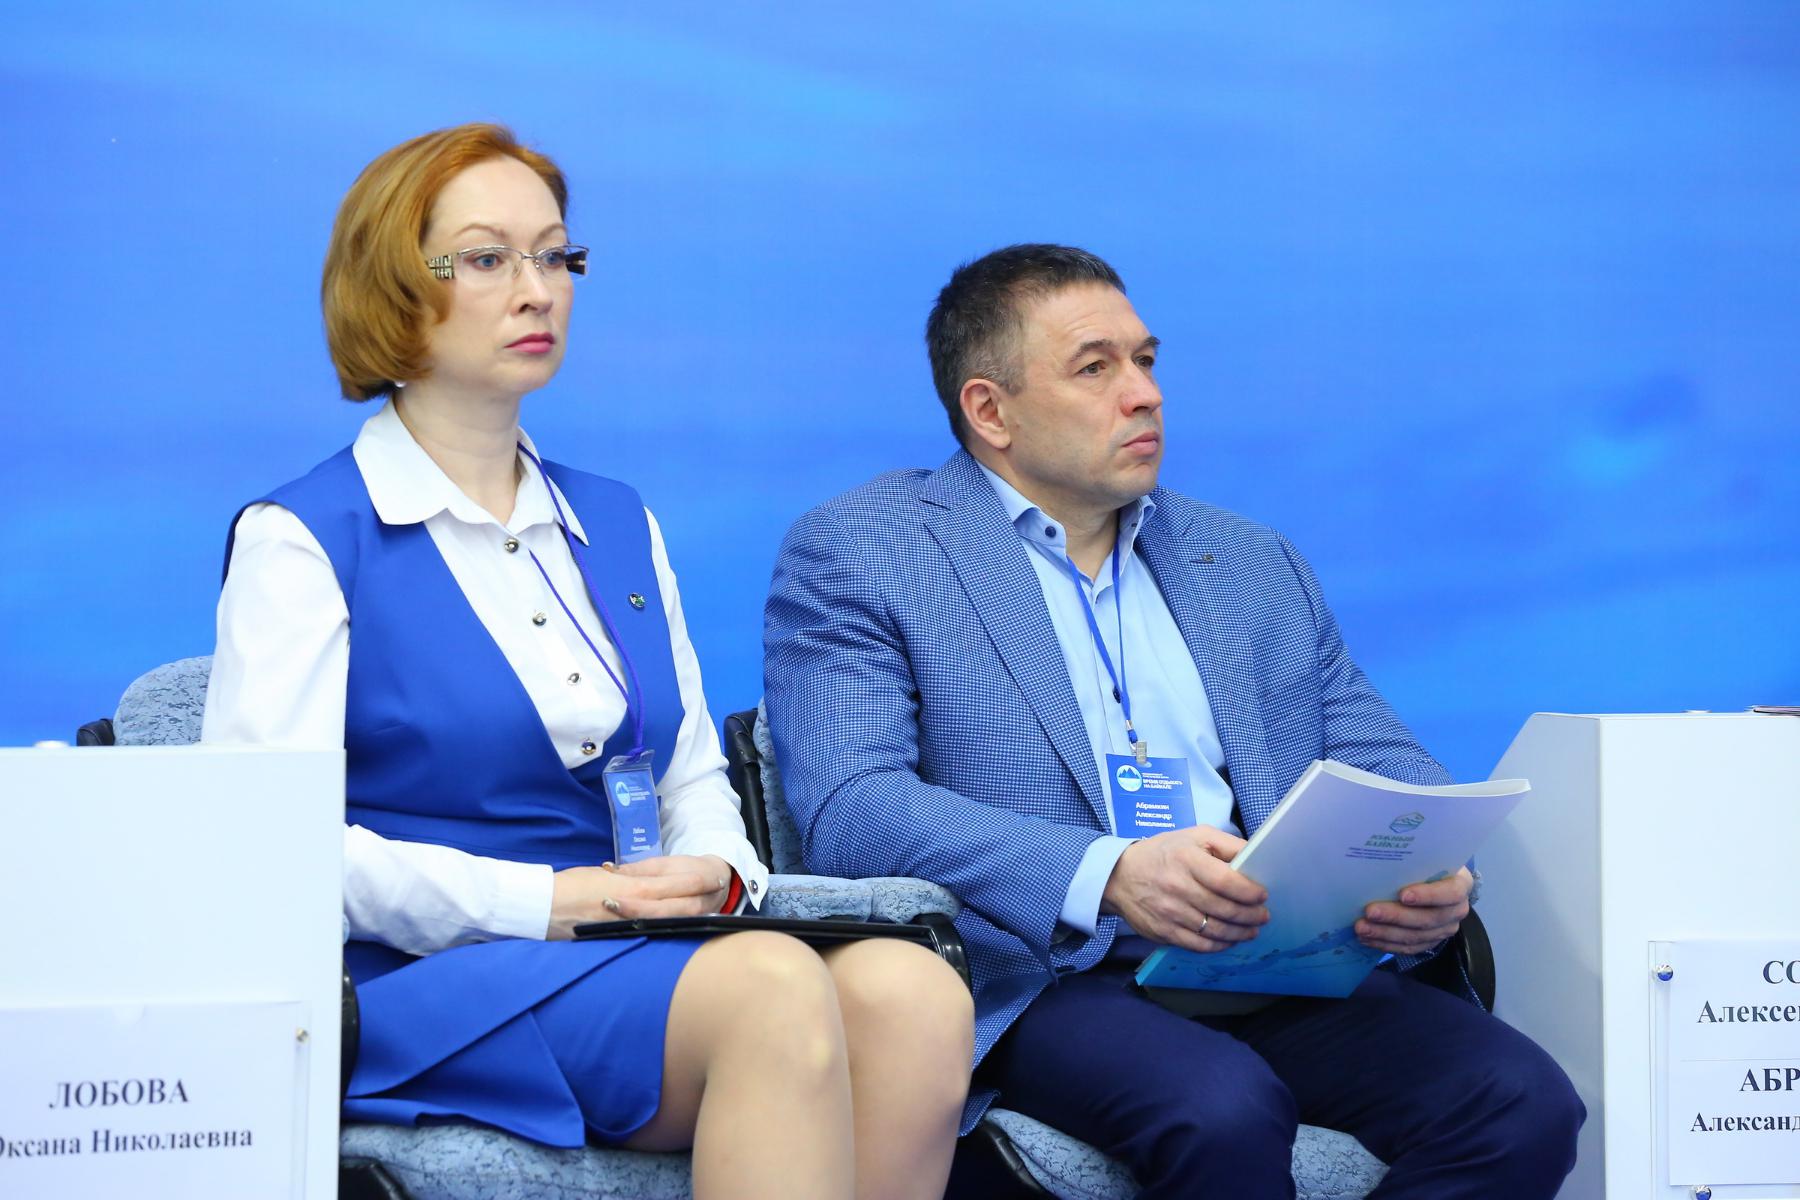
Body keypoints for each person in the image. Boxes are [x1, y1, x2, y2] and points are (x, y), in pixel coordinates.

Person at [201, 124, 972, 1200]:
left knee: (914, 994)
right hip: (425, 981)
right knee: (769, 987)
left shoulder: (616, 520)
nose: (538, 290)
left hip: (627, 949)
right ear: (394, 284)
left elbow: (690, 777)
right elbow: (266, 858)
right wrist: (552, 901)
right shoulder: (304, 538)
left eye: (556, 255)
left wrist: (722, 876)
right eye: (487, 258)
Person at [763, 243, 1583, 1198]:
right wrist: (1108, 874)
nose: (1144, 394)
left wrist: (1430, 873)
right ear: (990, 411)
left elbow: (1381, 754)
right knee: (1220, 1109)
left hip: (1265, 960)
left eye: (1146, 360)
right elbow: (853, 806)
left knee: (1521, 1100)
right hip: (1041, 975)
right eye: (1095, 367)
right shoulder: (865, 550)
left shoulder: (1249, 560)